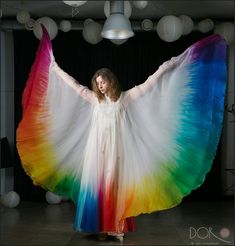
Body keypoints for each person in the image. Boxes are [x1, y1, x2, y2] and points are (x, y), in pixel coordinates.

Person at [16, 25, 227, 242]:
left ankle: (116, 228)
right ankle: (100, 227)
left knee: (115, 189)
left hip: (117, 151)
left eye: (103, 82)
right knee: (98, 189)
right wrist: (55, 68)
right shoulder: (94, 100)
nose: (100, 86)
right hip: (97, 151)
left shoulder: (124, 99)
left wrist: (168, 66)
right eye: (97, 83)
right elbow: (74, 86)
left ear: (111, 81)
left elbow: (148, 85)